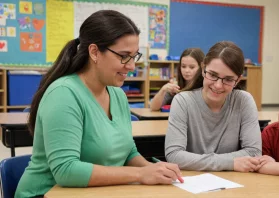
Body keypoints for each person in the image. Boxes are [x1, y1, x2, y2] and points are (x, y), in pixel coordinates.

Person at [15, 10, 182, 198]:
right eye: (124, 56)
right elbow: (66, 171)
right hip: (45, 194)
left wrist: (155, 170)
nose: (131, 66)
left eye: (134, 56)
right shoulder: (63, 93)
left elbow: (127, 153)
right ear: (94, 52)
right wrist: (141, 174)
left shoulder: (117, 95)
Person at [165, 41, 262, 171]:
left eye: (228, 79)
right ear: (203, 68)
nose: (218, 85)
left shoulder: (244, 101)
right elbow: (174, 155)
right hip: (192, 183)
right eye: (213, 75)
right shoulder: (182, 101)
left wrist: (196, 161)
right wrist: (231, 163)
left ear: (237, 80)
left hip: (234, 183)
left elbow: (254, 153)